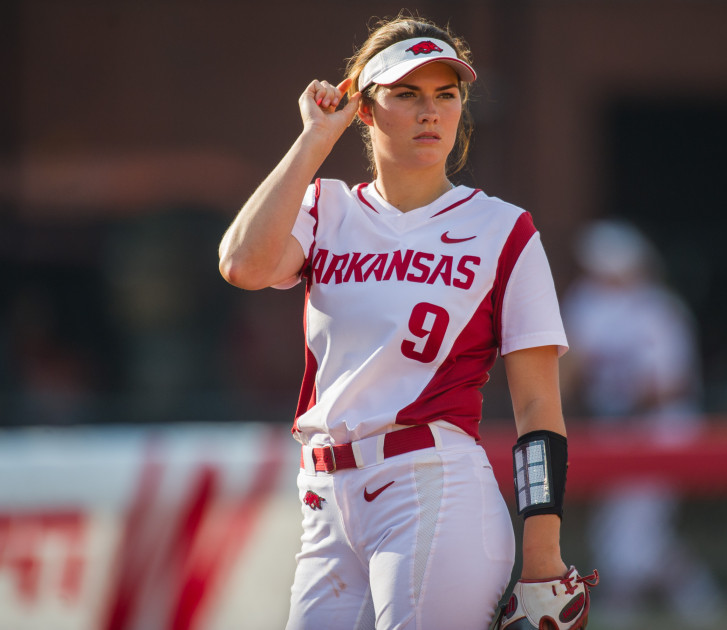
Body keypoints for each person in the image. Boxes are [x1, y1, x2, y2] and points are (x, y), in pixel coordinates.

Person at [218, 14, 576, 630]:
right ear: (364, 106)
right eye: (406, 94)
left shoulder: (504, 230)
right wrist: (313, 140)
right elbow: (242, 264)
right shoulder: (324, 206)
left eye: (446, 94)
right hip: (326, 499)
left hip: (431, 488)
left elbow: (539, 409)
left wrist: (543, 556)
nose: (429, 111)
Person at [560, 219, 720, 626]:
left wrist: (623, 403)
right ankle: (699, 599)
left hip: (661, 430)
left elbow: (673, 385)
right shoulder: (585, 301)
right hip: (613, 430)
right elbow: (569, 367)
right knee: (628, 533)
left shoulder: (660, 310)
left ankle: (623, 611)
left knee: (628, 536)